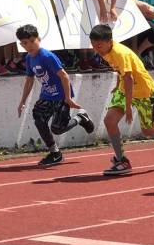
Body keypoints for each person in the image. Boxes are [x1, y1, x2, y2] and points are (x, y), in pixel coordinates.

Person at [88, 24, 154, 176]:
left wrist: (127, 107)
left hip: (144, 91)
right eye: (93, 45)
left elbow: (129, 78)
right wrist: (117, 85)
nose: (96, 49)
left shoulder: (120, 53)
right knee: (109, 121)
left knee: (148, 131)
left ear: (110, 41)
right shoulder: (105, 50)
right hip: (125, 89)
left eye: (99, 45)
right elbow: (122, 72)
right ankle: (121, 160)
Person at [16, 24, 95, 167]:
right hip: (46, 96)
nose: (30, 45)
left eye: (33, 41)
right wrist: (22, 101)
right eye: (26, 43)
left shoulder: (47, 56)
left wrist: (68, 98)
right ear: (22, 44)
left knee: (57, 129)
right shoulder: (29, 58)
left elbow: (64, 76)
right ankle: (55, 153)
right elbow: (29, 79)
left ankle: (80, 118)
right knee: (39, 119)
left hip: (61, 96)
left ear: (38, 39)